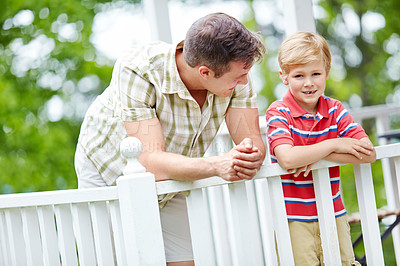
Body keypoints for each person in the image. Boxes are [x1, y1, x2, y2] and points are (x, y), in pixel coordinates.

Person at [75, 12, 266, 265]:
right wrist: (217, 165)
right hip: (106, 169)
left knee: (184, 261)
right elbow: (149, 162)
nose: (244, 82)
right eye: (238, 77)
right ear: (205, 72)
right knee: (115, 259)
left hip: (174, 171)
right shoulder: (139, 68)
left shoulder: (236, 72)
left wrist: (250, 156)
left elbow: (252, 142)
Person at [266, 31, 376, 266]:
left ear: (326, 72)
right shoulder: (278, 112)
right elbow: (287, 157)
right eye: (299, 75)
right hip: (293, 219)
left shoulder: (335, 109)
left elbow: (369, 152)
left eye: (316, 73)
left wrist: (310, 155)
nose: (308, 83)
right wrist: (333, 143)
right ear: (284, 76)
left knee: (345, 262)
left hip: (333, 213)